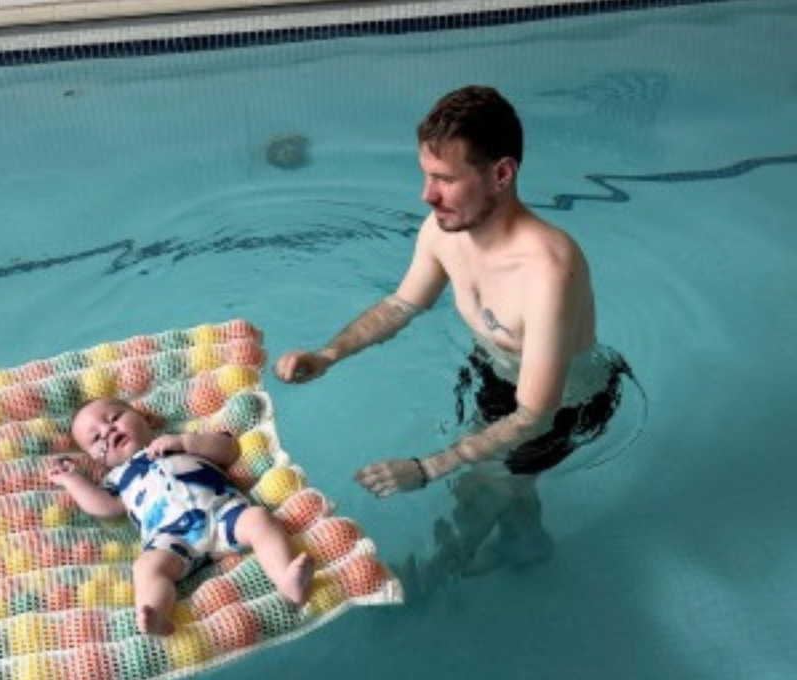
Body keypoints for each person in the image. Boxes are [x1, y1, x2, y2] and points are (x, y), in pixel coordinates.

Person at [274, 85, 631, 576]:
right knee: (498, 484)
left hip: (563, 406)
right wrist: (328, 355)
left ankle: (438, 577)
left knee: (477, 490)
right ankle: (528, 547)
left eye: (444, 178)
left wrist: (428, 468)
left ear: (501, 174)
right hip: (500, 376)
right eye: (426, 175)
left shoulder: (549, 271)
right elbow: (401, 305)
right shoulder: (442, 231)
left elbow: (534, 413)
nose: (427, 194)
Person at [47, 397, 314, 635]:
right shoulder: (116, 478)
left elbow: (228, 449)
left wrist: (187, 442)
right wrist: (72, 480)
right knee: (146, 567)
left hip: (221, 514)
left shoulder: (179, 440)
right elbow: (103, 507)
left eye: (115, 418)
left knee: (258, 519)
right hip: (170, 538)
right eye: (95, 439)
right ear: (97, 459)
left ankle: (287, 581)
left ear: (145, 418)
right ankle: (157, 615)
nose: (108, 430)